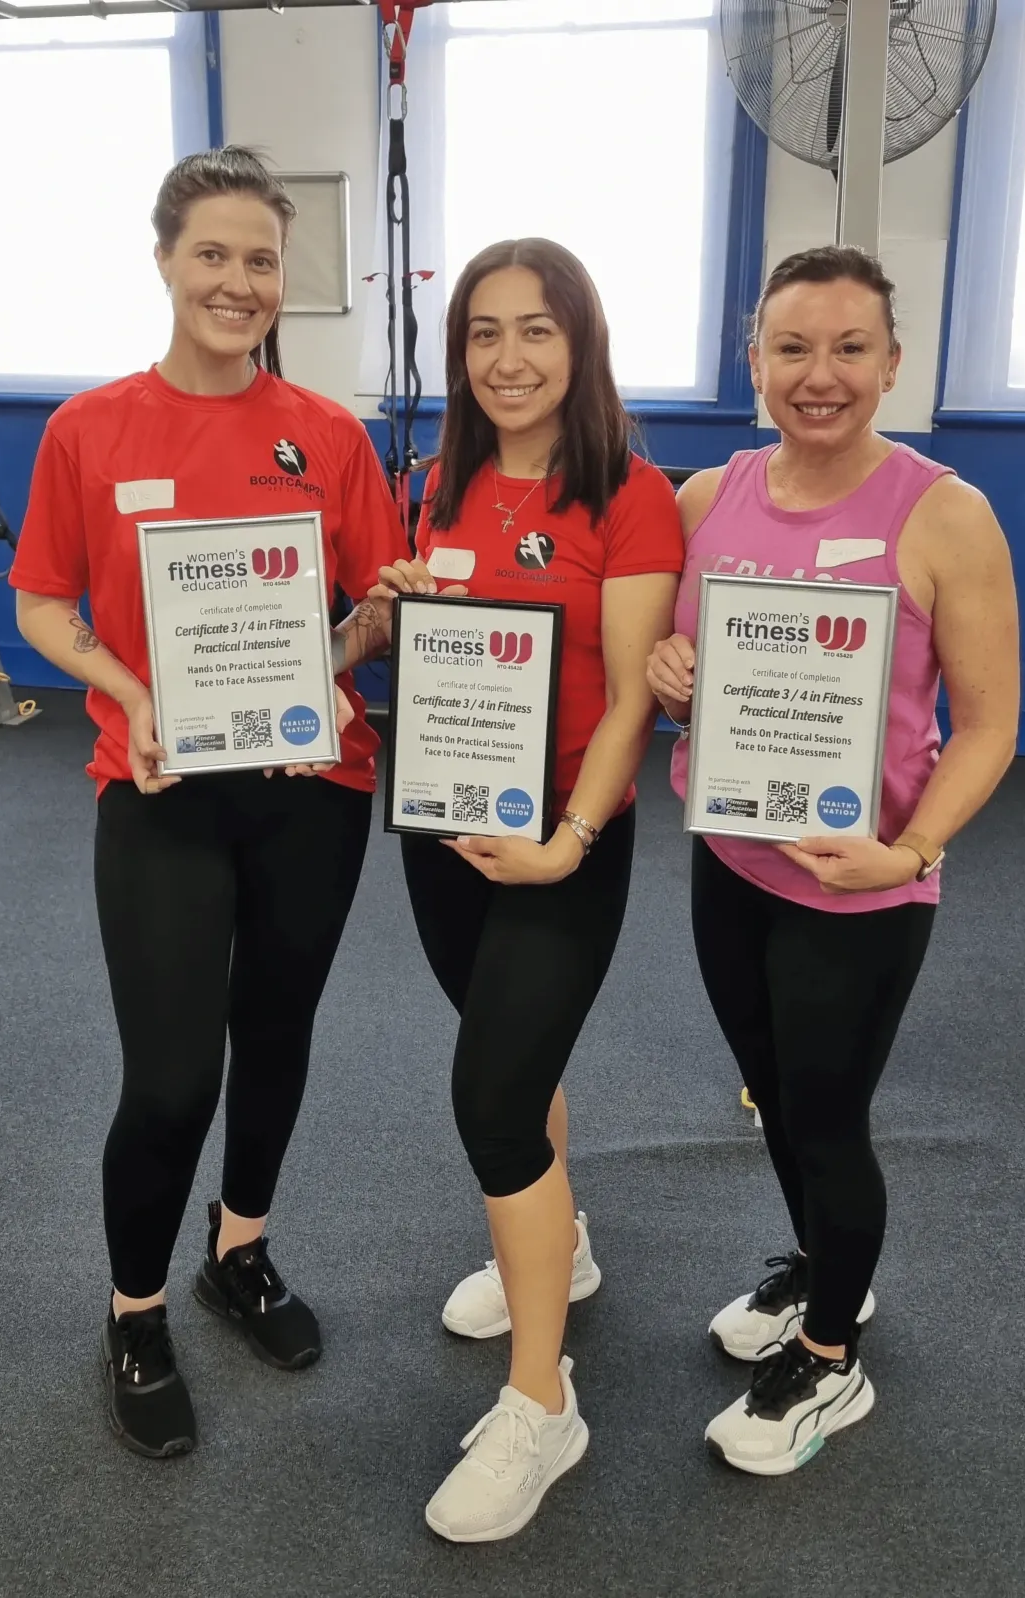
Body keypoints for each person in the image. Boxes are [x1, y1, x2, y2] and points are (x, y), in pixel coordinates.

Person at [10, 147, 406, 1459]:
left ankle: (241, 1250)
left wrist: (340, 660)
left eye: (260, 259)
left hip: (311, 790)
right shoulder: (89, 429)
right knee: (173, 1072)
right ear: (168, 260)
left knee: (277, 1027)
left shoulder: (332, 436)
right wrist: (131, 693)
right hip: (162, 790)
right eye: (214, 255)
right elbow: (41, 606)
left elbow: (367, 608)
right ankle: (135, 1309)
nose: (239, 281)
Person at [648, 245, 1019, 1474]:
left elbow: (992, 723)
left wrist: (907, 849)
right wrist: (667, 676)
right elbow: (670, 667)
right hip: (731, 863)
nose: (821, 375)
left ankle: (827, 1364)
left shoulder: (944, 511)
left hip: (859, 887)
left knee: (827, 1110)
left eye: (849, 348)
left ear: (892, 363)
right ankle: (826, 1271)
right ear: (753, 362)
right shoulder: (710, 497)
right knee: (774, 1089)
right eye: (792, 348)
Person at [371, 238, 683, 1541]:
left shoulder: (630, 495)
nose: (507, 357)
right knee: (514, 1049)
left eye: (536, 330)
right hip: (441, 826)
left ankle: (542, 1401)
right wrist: (390, 600)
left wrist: (570, 836)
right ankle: (564, 1246)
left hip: (564, 837)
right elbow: (430, 633)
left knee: (491, 1099)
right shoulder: (433, 483)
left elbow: (621, 704)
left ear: (581, 344)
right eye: (483, 333)